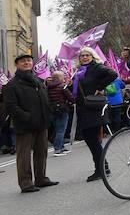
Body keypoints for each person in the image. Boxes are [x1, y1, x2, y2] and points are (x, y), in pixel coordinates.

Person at [2, 54, 58, 193]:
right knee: (24, 156)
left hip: (41, 123)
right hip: (25, 125)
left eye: (29, 60)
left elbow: (45, 99)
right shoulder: (12, 85)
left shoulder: (38, 81)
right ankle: (26, 183)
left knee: (41, 153)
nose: (26, 63)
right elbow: (11, 106)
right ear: (17, 65)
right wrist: (27, 117)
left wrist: (48, 114)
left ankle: (41, 179)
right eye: (23, 61)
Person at [72, 46, 118, 182]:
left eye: (87, 55)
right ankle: (102, 168)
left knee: (92, 140)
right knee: (91, 140)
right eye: (82, 55)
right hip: (83, 108)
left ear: (92, 56)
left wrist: (100, 87)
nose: (85, 57)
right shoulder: (80, 71)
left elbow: (113, 74)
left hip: (93, 108)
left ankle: (102, 169)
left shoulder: (96, 67)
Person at [46, 71, 75, 156]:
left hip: (52, 110)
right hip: (62, 109)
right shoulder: (62, 87)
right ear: (59, 78)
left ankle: (61, 146)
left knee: (57, 129)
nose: (64, 78)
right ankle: (58, 149)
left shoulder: (48, 87)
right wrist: (73, 101)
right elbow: (70, 97)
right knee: (61, 130)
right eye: (63, 76)